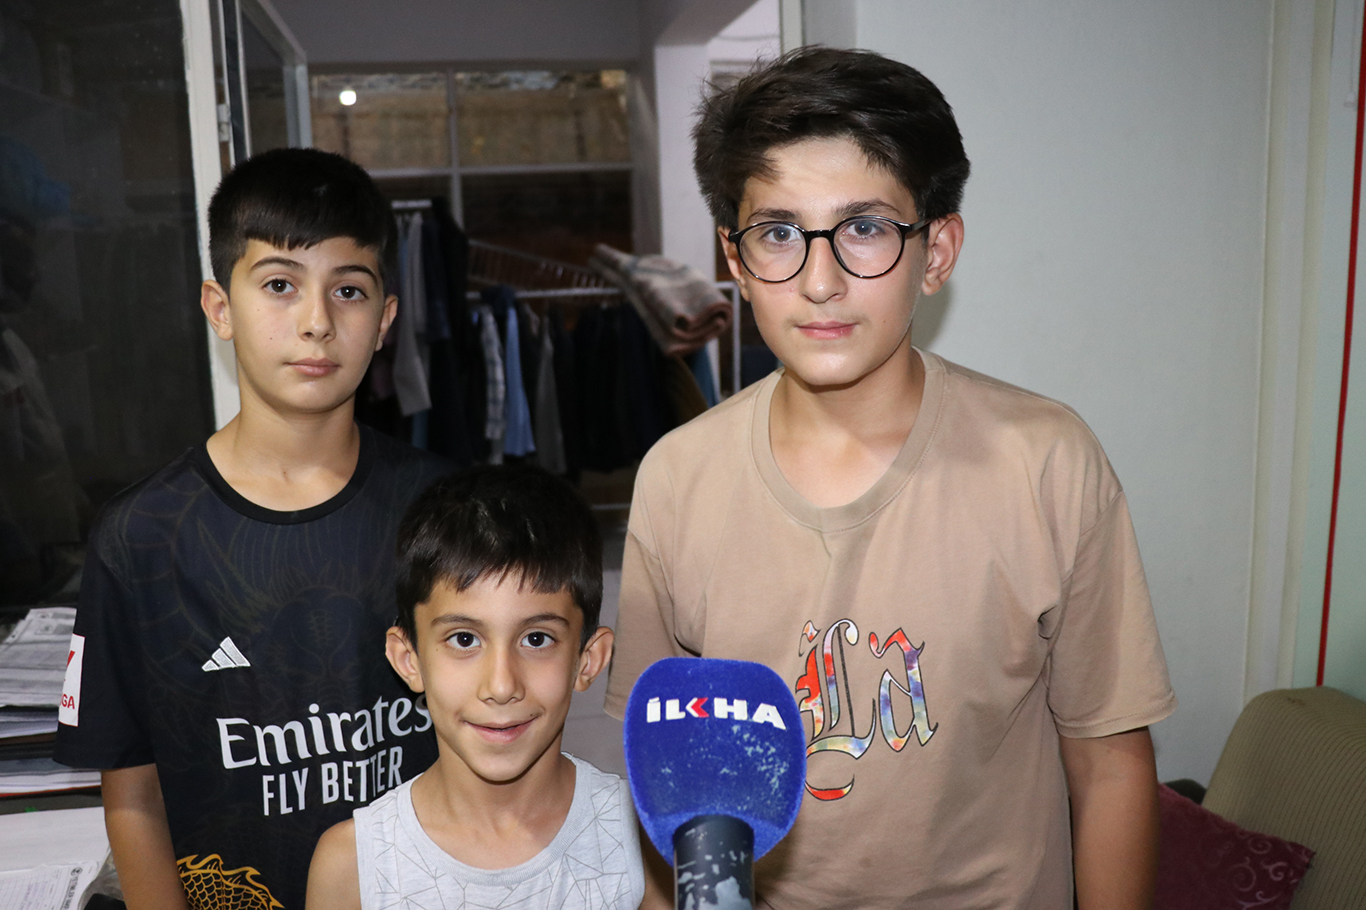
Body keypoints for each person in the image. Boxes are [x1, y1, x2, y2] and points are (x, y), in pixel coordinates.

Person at [604, 47, 1176, 910]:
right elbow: (670, 791)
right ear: (736, 259)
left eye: (865, 228)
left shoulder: (1046, 462)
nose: (821, 281)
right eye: (779, 233)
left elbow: (1109, 764)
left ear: (935, 250)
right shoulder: (678, 478)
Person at [53, 148, 453, 910]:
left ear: (385, 320)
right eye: (279, 285)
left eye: (349, 290)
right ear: (219, 307)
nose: (317, 322)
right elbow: (133, 795)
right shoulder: (142, 538)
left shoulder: (448, 510)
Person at [305, 464, 645, 910]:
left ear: (588, 659)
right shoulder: (353, 866)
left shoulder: (645, 845)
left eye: (536, 639)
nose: (501, 686)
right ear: (409, 660)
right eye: (464, 640)